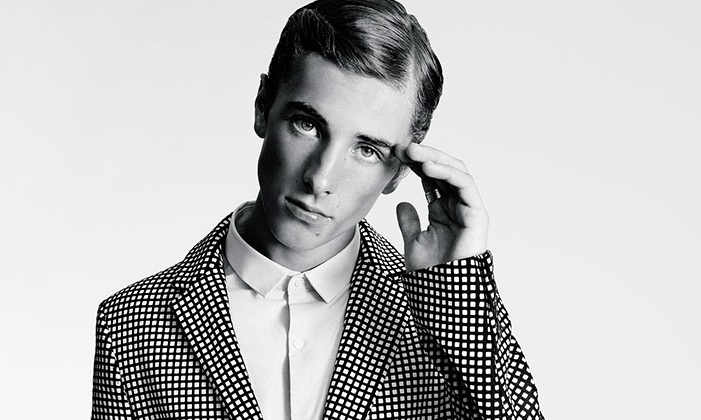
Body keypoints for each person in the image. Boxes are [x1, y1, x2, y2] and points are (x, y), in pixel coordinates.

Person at [90, 0, 543, 419]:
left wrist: (456, 295)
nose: (321, 178)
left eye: (367, 150)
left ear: (400, 173)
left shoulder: (441, 315)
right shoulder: (130, 326)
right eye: (307, 124)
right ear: (263, 107)